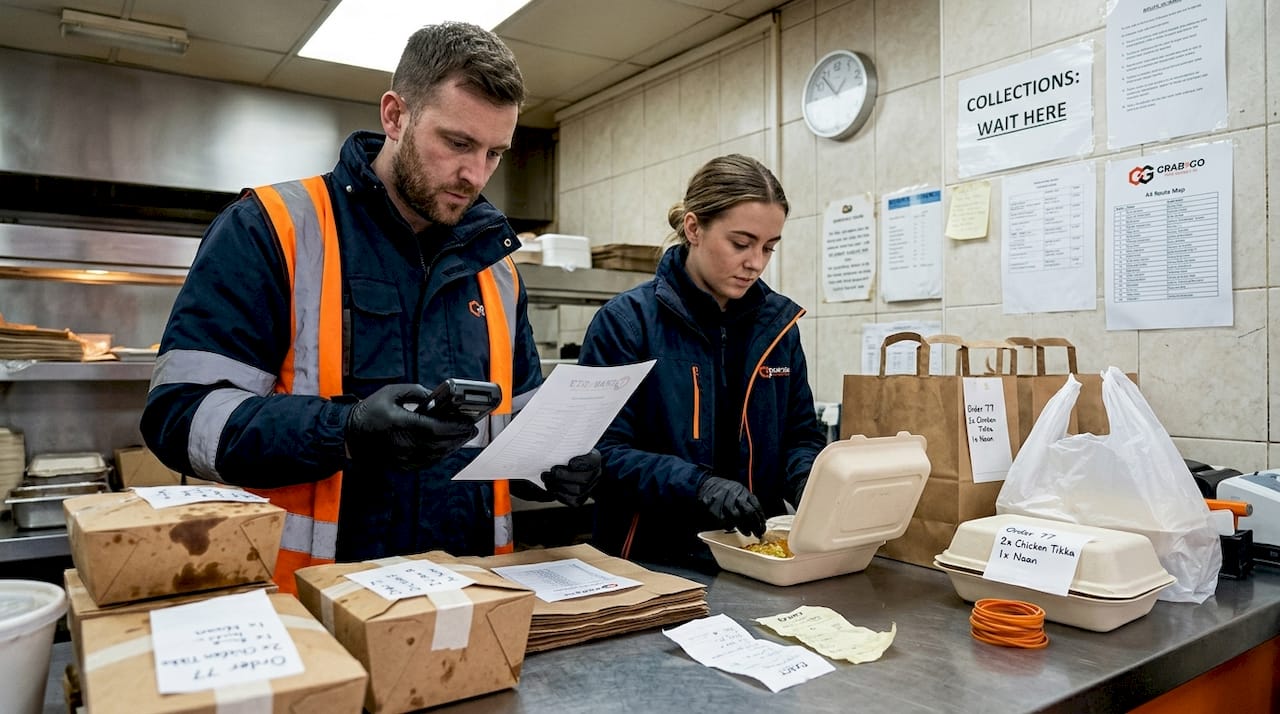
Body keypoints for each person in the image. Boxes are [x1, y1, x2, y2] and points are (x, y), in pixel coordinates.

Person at [141, 22, 599, 593]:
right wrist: (346, 430)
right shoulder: (273, 228)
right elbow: (179, 417)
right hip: (310, 606)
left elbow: (515, 426)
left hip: (467, 599)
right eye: (457, 143)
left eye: (494, 153)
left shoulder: (498, 271)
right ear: (395, 115)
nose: (475, 175)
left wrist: (548, 466)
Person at [578, 154, 827, 569]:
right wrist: (699, 486)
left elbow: (800, 435)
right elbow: (602, 453)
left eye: (769, 247)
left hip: (753, 557)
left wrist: (807, 481)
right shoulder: (627, 324)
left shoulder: (778, 329)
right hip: (649, 560)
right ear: (693, 228)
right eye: (741, 243)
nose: (756, 263)